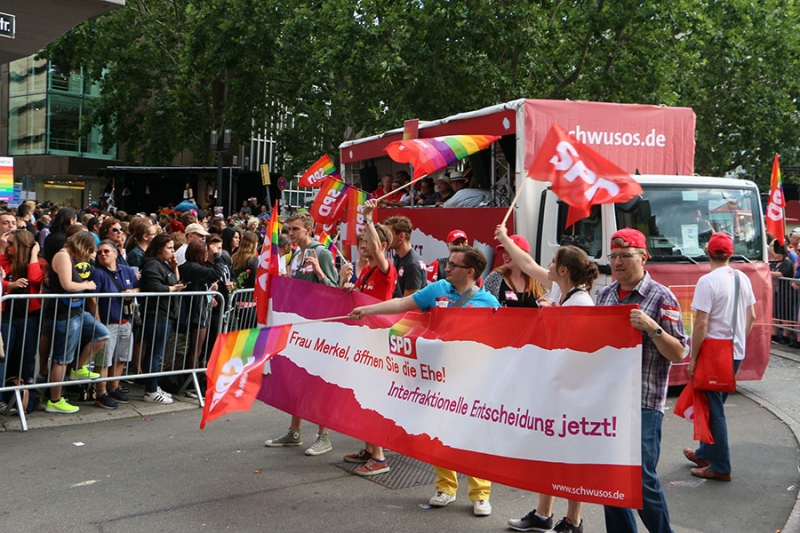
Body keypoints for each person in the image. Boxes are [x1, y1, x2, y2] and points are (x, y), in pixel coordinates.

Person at [349, 245, 497, 517]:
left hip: (471, 381)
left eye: (453, 264)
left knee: (471, 438)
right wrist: (367, 311)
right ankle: (446, 488)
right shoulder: (437, 289)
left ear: (470, 271)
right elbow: (402, 304)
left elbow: (502, 343)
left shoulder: (489, 303)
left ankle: (480, 494)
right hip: (436, 378)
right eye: (448, 262)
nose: (446, 268)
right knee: (439, 432)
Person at [596, 228, 687, 533]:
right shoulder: (604, 295)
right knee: (610, 477)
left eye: (625, 256)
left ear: (643, 258)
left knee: (640, 477)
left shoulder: (662, 297)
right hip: (608, 402)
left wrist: (653, 328)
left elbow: (678, 352)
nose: (618, 263)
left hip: (644, 402)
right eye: (614, 257)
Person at [505, 244, 599, 533]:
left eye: (553, 261)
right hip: (556, 386)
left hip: (572, 390)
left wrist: (549, 318)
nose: (547, 264)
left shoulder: (581, 304)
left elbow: (576, 350)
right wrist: (506, 238)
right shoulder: (561, 292)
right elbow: (529, 264)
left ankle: (573, 521)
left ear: (563, 270)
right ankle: (543, 515)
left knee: (571, 459)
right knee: (551, 453)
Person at [683, 232, 756, 481]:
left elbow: (701, 324)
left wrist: (693, 358)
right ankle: (705, 453)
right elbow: (752, 317)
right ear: (731, 253)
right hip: (734, 351)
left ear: (708, 253)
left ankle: (721, 467)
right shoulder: (742, 277)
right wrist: (738, 342)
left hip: (714, 353)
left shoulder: (707, 281)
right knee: (714, 404)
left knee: (714, 410)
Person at [265, 212, 338, 456]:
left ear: (309, 228)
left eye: (296, 229)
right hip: (299, 325)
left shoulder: (322, 253)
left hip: (318, 327)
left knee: (317, 381)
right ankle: (295, 431)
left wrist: (319, 272)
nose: (291, 233)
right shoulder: (295, 254)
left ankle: (323, 435)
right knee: (296, 377)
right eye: (290, 229)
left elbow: (334, 290)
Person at [340, 199, 398, 476]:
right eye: (361, 240)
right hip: (362, 339)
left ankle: (380, 457)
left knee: (372, 397)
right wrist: (345, 282)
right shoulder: (364, 269)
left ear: (382, 246)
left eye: (367, 240)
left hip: (377, 341)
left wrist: (367, 215)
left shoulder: (387, 269)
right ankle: (367, 448)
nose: (363, 244)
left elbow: (375, 247)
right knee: (361, 395)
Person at [46, 231, 110, 414]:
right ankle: (55, 400)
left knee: (101, 334)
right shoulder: (63, 255)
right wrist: (86, 285)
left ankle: (77, 368)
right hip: (64, 314)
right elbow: (67, 285)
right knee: (61, 359)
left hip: (76, 311)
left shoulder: (67, 256)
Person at [91, 239, 140, 409]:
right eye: (99, 252)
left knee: (121, 358)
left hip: (126, 320)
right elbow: (92, 298)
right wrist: (97, 321)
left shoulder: (127, 270)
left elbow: (139, 287)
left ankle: (113, 387)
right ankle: (101, 392)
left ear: (115, 253)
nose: (102, 254)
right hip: (107, 322)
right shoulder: (98, 273)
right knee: (104, 360)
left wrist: (132, 292)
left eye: (106, 251)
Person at [140, 233, 185, 404]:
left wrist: (174, 267)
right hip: (157, 314)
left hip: (166, 313)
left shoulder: (164, 264)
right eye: (169, 248)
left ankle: (153, 385)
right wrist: (172, 289)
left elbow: (176, 281)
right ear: (160, 249)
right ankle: (150, 390)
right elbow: (154, 286)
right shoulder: (152, 265)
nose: (173, 251)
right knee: (154, 353)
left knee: (157, 353)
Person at [0, 229, 45, 386]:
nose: (8, 246)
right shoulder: (3, 260)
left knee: (26, 357)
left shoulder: (38, 262)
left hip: (29, 317)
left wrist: (33, 254)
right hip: (7, 317)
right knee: (4, 356)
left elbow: (34, 278)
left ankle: (26, 396)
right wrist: (10, 284)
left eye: (11, 243)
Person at [484, 234, 546, 307]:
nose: (505, 255)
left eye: (509, 251)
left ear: (522, 254)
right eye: (504, 251)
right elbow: (481, 303)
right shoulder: (495, 277)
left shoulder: (537, 279)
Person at [383, 214, 426, 297]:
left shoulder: (413, 264)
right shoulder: (398, 257)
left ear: (401, 236)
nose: (386, 238)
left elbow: (409, 302)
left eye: (389, 235)